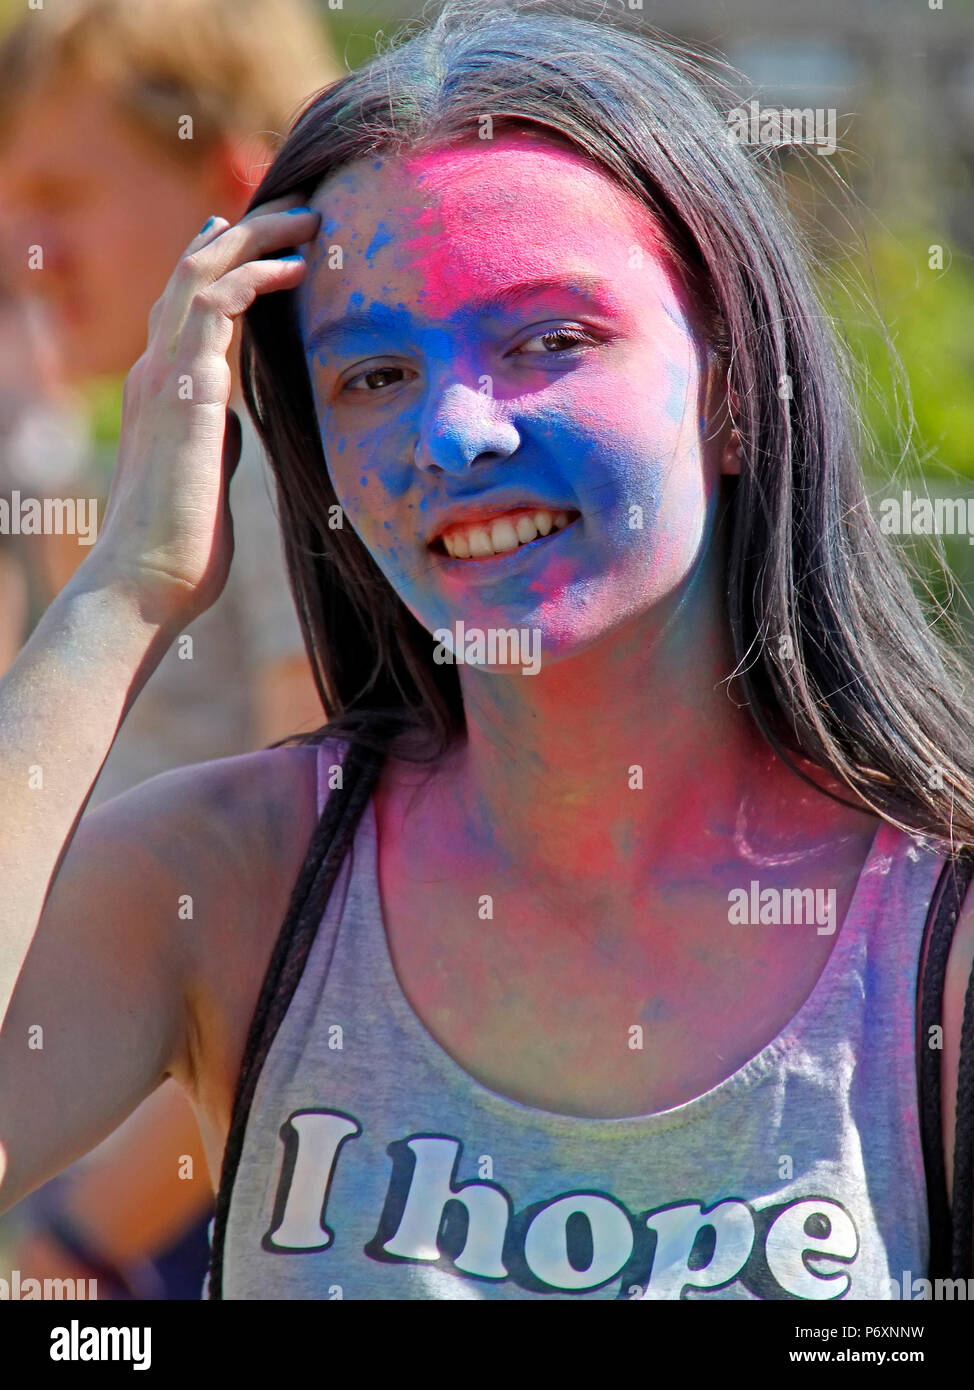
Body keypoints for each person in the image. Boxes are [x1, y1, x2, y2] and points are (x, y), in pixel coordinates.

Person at [1, 0, 973, 1302]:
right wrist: (128, 586)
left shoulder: (936, 933)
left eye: (548, 341)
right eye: (373, 375)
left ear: (734, 389)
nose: (453, 430)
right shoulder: (236, 875)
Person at [0, 0, 339, 1295]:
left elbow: (291, 890)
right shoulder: (166, 426)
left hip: (191, 1203)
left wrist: (79, 1241)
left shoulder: (260, 429)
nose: (19, 245)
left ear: (234, 185)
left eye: (58, 191)